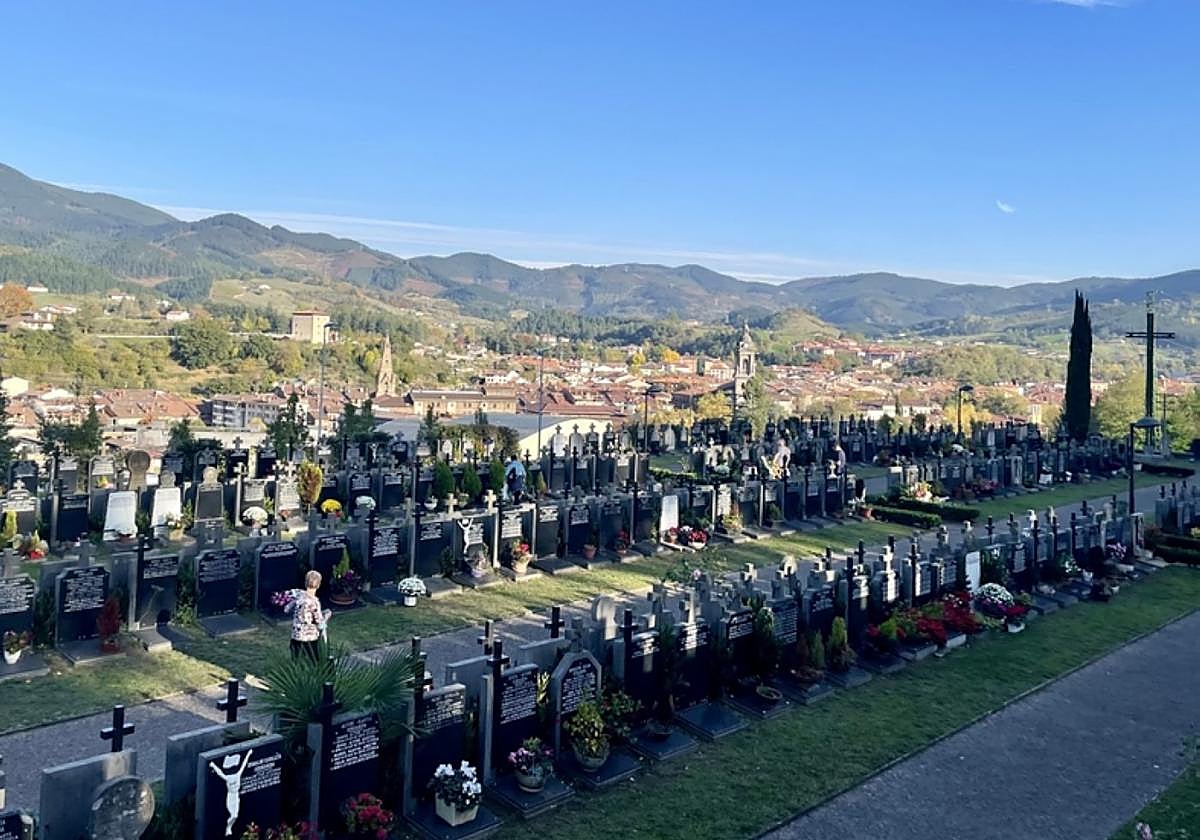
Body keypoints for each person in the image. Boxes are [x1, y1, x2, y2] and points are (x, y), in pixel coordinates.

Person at [285, 570, 330, 659]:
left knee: (296, 663)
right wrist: (326, 616)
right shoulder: (314, 602)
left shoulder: (299, 595)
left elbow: (287, 608)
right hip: (309, 639)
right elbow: (320, 624)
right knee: (314, 663)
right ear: (318, 585)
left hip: (296, 636)